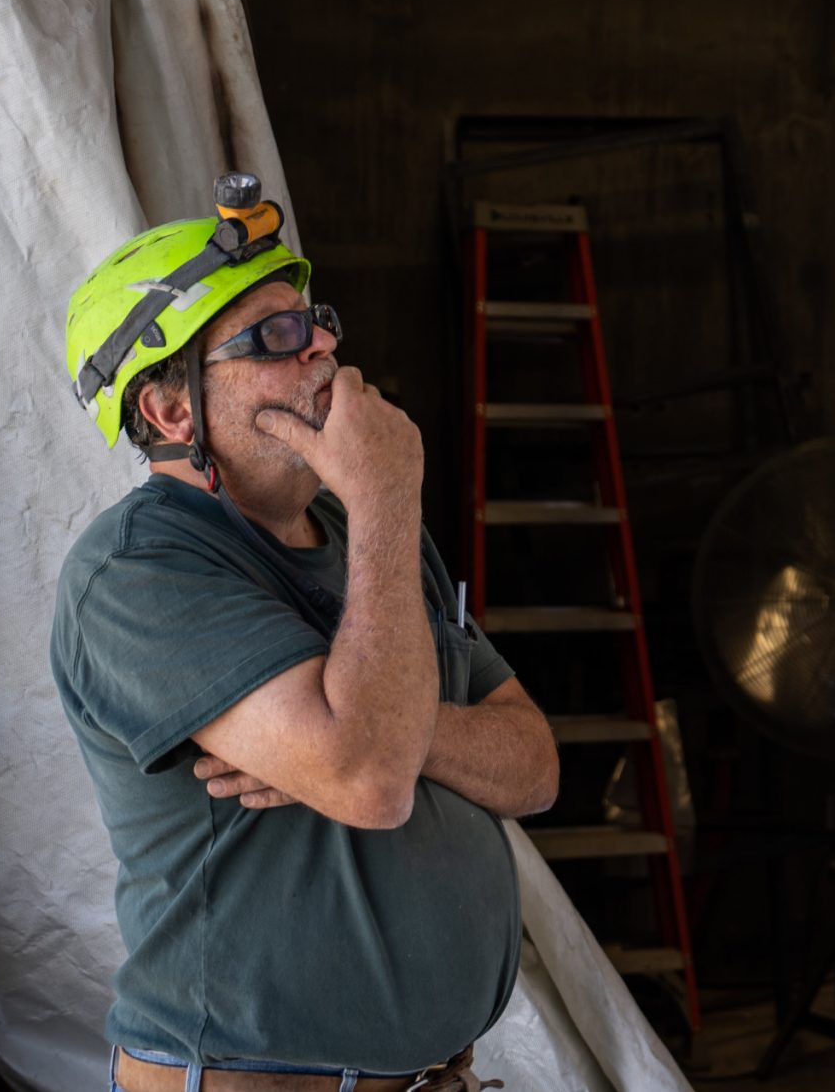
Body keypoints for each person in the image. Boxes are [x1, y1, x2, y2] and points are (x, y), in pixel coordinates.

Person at [53, 176, 556, 1092]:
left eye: (315, 320)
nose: (322, 343)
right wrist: (388, 492)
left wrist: (398, 730)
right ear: (171, 410)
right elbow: (369, 780)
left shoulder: (371, 534)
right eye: (275, 336)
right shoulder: (136, 572)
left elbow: (533, 765)